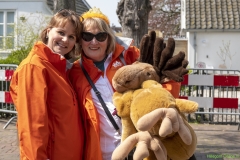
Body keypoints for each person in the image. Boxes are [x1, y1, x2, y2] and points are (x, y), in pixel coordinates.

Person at [69, 7, 191, 160]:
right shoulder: (74, 73)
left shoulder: (128, 56)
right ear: (80, 39)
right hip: (104, 152)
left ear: (108, 38)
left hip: (144, 148)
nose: (94, 42)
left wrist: (160, 112)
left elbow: (163, 75)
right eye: (87, 36)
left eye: (101, 36)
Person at [10, 9, 84, 160]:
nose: (65, 40)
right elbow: (32, 125)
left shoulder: (60, 69)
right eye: (61, 33)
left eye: (71, 37)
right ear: (48, 31)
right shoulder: (35, 67)